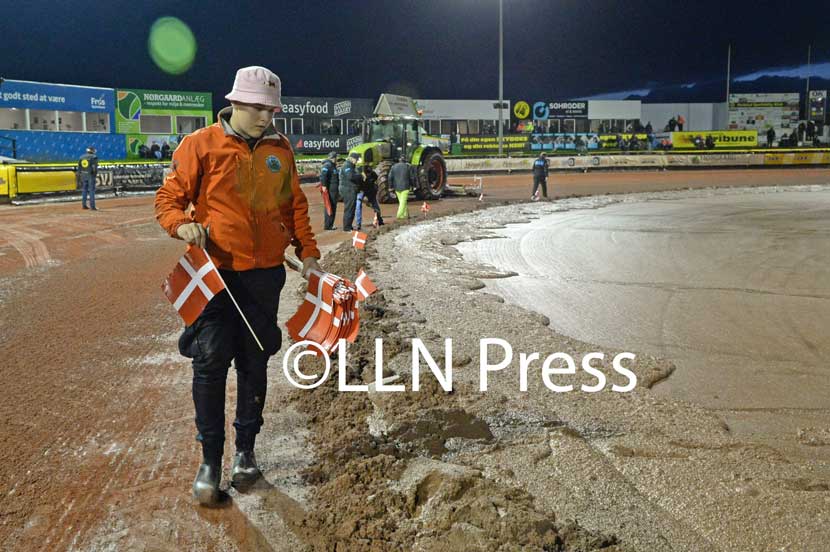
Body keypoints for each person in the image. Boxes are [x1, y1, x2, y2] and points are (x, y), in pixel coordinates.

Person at [154, 66, 321, 506]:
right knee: (209, 362)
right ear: (235, 103)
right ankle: (210, 461)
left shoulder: (280, 149)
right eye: (257, 108)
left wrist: (308, 254)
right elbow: (168, 201)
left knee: (255, 360)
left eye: (271, 108)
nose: (266, 116)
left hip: (265, 275)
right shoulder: (200, 145)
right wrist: (182, 225)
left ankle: (245, 454)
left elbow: (293, 206)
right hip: (216, 275)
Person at [355, 164, 384, 230]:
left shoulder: (373, 174)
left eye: (369, 173)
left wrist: (370, 199)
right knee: (358, 205)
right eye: (367, 173)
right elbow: (357, 188)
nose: (368, 174)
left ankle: (380, 220)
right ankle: (358, 224)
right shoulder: (360, 176)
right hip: (361, 191)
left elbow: (376, 182)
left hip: (370, 191)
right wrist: (362, 199)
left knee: (375, 206)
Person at [339, 152, 362, 231]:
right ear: (352, 159)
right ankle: (347, 227)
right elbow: (350, 177)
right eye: (356, 159)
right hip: (348, 189)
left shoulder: (351, 166)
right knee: (349, 208)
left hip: (350, 189)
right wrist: (360, 176)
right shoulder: (347, 166)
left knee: (351, 208)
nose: (357, 161)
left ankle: (349, 225)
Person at [320, 151, 339, 230]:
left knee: (332, 207)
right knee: (330, 207)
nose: (336, 159)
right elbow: (323, 175)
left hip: (333, 190)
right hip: (330, 190)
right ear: (333, 158)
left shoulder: (332, 166)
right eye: (336, 158)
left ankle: (330, 225)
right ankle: (328, 225)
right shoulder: (328, 165)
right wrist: (324, 185)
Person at [77, 146, 99, 210]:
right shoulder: (94, 157)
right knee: (91, 191)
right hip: (90, 175)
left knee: (84, 190)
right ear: (92, 151)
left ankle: (84, 205)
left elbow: (79, 168)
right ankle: (92, 206)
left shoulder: (81, 157)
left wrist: (80, 174)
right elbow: (95, 168)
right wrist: (94, 175)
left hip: (84, 175)